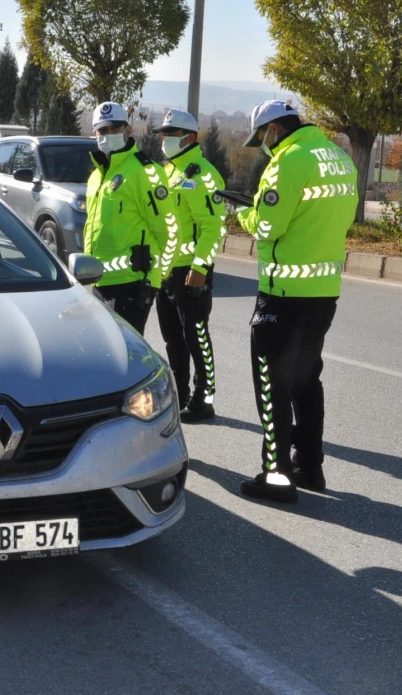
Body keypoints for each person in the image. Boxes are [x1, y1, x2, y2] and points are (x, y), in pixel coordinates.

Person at [234, 100, 357, 503]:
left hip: (282, 295)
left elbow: (268, 226)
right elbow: (344, 217)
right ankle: (309, 467)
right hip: (323, 293)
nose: (264, 146)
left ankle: (277, 477)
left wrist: (243, 216)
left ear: (273, 129)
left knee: (272, 387)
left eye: (263, 137)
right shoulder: (338, 157)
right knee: (306, 382)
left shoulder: (287, 161)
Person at [153, 109, 228, 422]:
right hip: (166, 271)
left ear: (191, 137)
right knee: (173, 338)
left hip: (191, 272)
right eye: (164, 134)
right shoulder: (169, 172)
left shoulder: (204, 175)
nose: (166, 140)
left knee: (196, 336)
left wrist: (200, 267)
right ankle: (181, 395)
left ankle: (204, 397)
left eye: (172, 134)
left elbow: (214, 226)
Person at [83, 101, 171, 333]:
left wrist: (157, 275)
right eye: (102, 130)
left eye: (114, 129)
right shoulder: (96, 176)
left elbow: (166, 228)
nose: (107, 135)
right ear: (94, 133)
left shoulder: (144, 171)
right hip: (100, 280)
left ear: (127, 130)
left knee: (127, 355)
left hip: (131, 283)